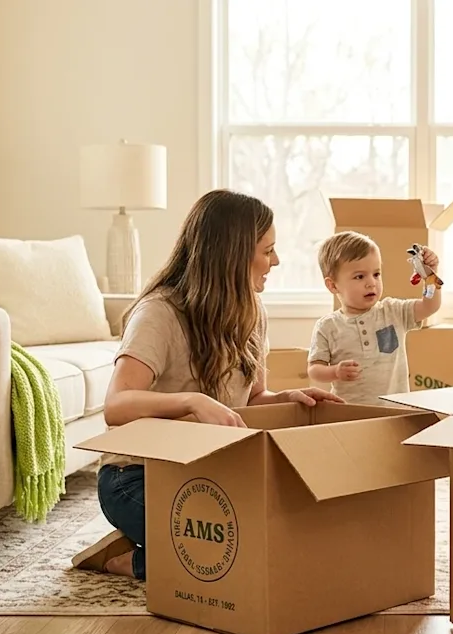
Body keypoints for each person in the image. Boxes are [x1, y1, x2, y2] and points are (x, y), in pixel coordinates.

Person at [72, 189, 344, 580]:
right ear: (232, 254)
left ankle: (155, 548)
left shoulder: (253, 312)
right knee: (249, 545)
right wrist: (190, 401)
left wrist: (286, 399)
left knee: (297, 528)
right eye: (268, 250)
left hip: (211, 472)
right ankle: (129, 561)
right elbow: (117, 406)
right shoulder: (160, 313)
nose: (276, 261)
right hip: (137, 477)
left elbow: (251, 399)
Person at [306, 231, 443, 405]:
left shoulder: (393, 311)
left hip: (396, 412)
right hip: (351, 415)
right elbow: (314, 370)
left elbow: (430, 306)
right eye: (360, 276)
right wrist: (335, 372)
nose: (371, 282)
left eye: (376, 274)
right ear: (332, 285)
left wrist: (430, 275)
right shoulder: (327, 326)